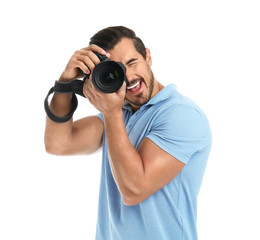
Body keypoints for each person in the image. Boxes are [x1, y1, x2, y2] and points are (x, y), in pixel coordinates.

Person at [44, 26, 212, 240]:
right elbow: (58, 144)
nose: (129, 77)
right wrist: (64, 83)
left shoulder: (182, 115)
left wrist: (112, 112)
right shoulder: (119, 114)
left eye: (132, 63)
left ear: (148, 57)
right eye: (118, 70)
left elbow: (134, 190)